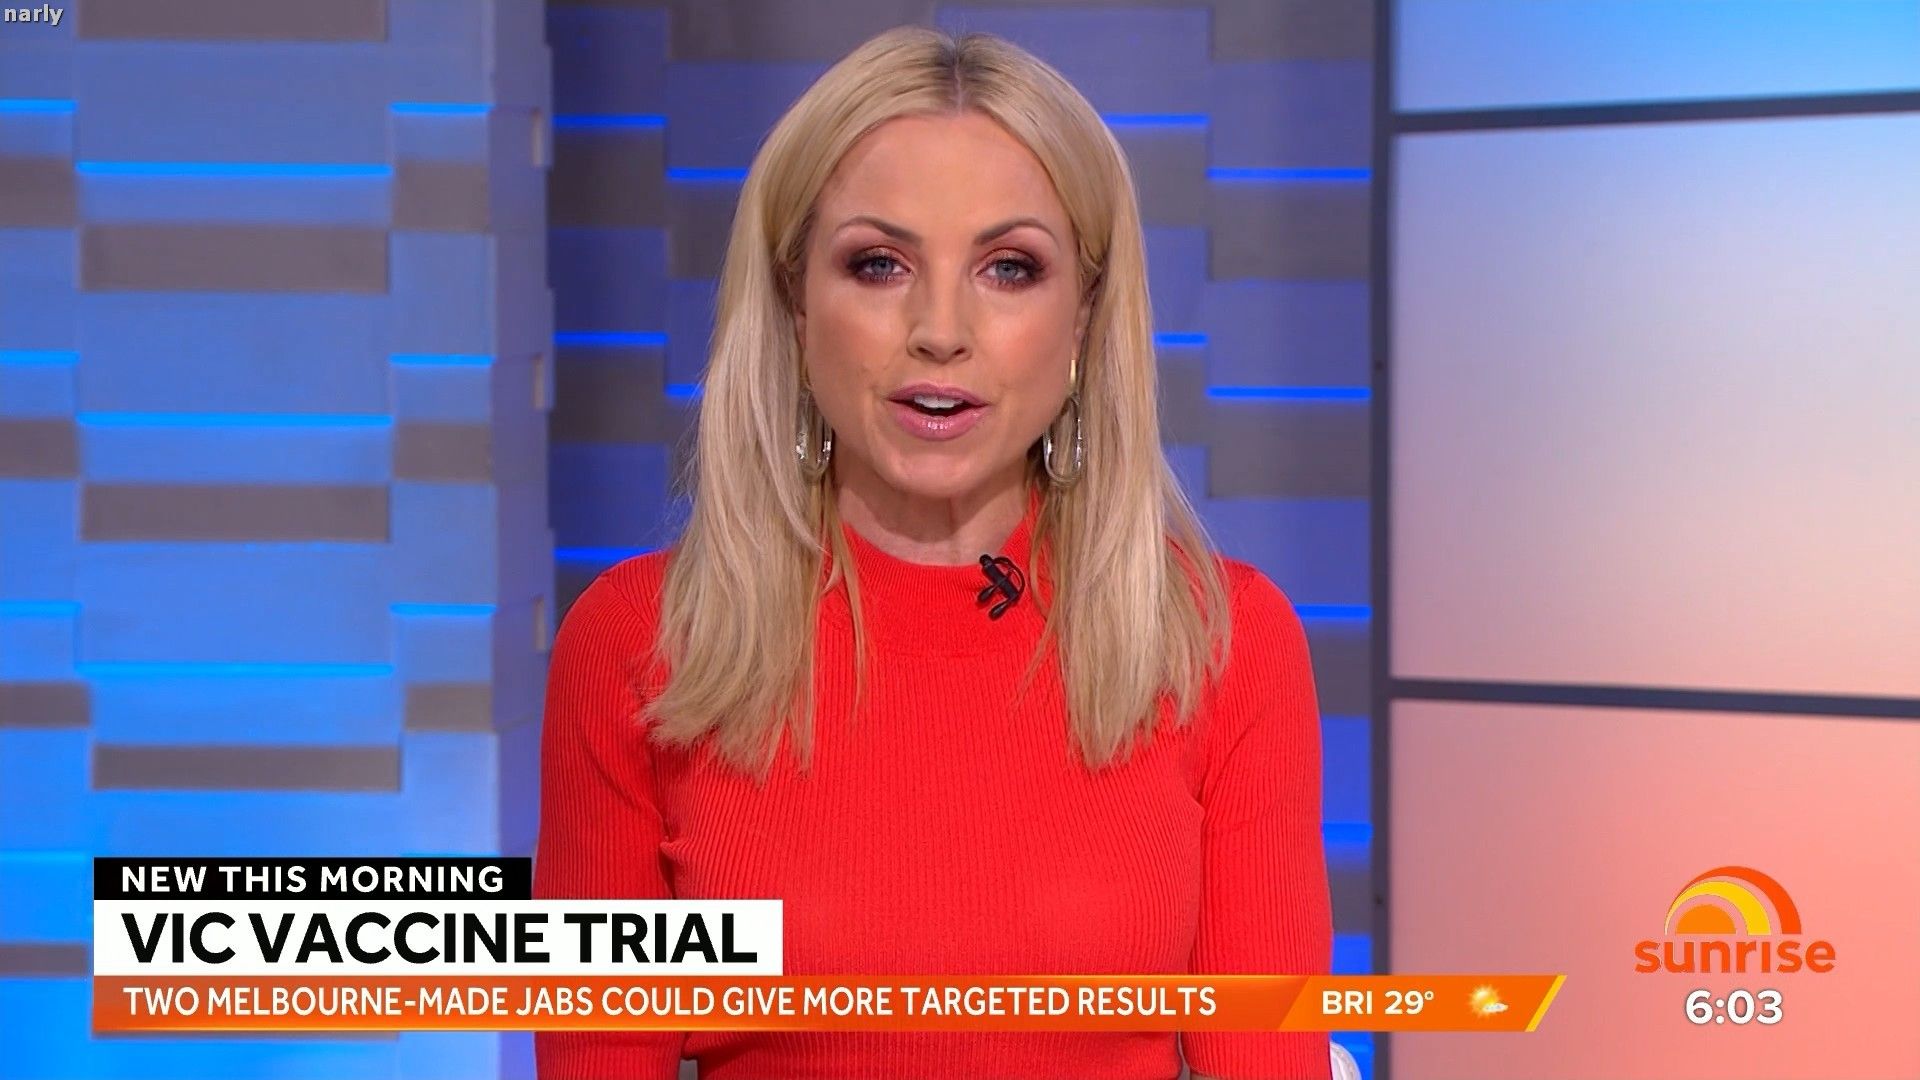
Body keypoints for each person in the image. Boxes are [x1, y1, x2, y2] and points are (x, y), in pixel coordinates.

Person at [534, 24, 1332, 1080]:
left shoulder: (1223, 644)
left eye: (1009, 268)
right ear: (795, 304)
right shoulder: (639, 643)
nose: (940, 329)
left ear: (1084, 318)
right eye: (879, 264)